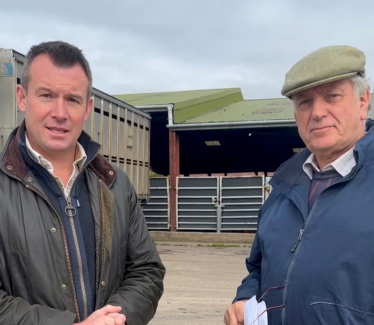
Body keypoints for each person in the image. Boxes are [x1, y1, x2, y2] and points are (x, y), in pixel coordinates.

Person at [0, 41, 165, 325]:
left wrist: (114, 320)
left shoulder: (116, 185)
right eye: (47, 96)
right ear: (22, 97)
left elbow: (147, 271)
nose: (60, 113)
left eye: (72, 99)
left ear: (87, 108)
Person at [224, 45, 372, 325]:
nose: (317, 113)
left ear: (363, 101)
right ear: (295, 116)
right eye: (304, 102)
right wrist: (244, 298)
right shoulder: (282, 189)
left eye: (332, 96)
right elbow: (257, 268)